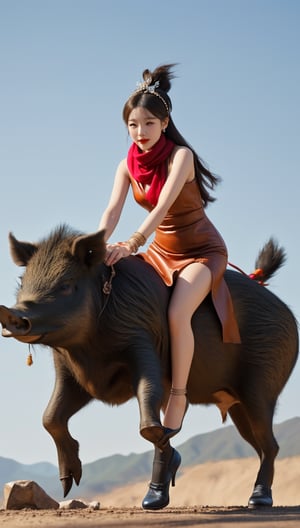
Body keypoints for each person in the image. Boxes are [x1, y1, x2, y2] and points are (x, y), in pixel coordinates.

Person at [98, 62, 240, 455]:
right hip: (161, 251)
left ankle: (177, 395)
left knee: (178, 314)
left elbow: (162, 206)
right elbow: (111, 211)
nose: (139, 133)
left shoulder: (181, 158)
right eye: (132, 125)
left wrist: (131, 243)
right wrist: (96, 244)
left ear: (164, 123)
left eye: (147, 124)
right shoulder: (126, 164)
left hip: (201, 252)